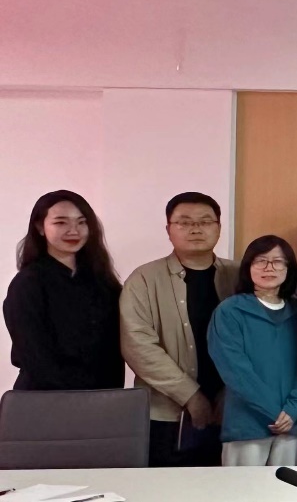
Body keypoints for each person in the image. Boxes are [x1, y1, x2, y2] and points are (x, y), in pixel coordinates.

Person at [120, 192, 238, 467]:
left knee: (228, 485)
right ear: (168, 230)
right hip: (166, 414)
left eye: (205, 221)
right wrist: (190, 395)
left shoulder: (239, 275)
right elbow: (138, 345)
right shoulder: (144, 279)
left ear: (219, 227)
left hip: (233, 409)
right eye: (184, 222)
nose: (196, 229)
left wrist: (232, 392)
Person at [4, 190, 123, 391]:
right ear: (40, 227)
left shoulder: (103, 281)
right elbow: (35, 356)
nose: (74, 230)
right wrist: (81, 393)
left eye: (81, 222)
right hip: (45, 398)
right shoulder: (28, 283)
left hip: (102, 396)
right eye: (61, 222)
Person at [208, 235, 297, 466]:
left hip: (291, 423)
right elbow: (235, 371)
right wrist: (274, 412)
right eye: (260, 261)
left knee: (285, 487)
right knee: (244, 488)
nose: (269, 267)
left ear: (289, 268)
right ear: (248, 267)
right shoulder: (230, 311)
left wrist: (293, 409)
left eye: (278, 261)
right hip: (247, 423)